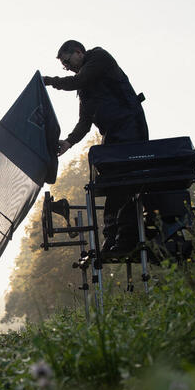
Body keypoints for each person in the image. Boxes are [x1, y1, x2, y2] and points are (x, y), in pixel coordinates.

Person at [43, 39, 149, 255]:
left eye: (67, 61)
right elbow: (85, 121)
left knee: (124, 183)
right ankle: (116, 238)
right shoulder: (85, 87)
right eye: (63, 65)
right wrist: (69, 142)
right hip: (113, 136)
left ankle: (121, 239)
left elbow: (77, 80)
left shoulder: (99, 58)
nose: (67, 67)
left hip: (130, 131)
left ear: (79, 52)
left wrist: (48, 81)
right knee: (113, 184)